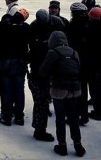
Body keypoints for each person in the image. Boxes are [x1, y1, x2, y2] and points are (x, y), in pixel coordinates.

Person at [39, 31, 86, 157]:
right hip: (75, 90)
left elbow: (43, 71)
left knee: (60, 119)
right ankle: (78, 145)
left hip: (59, 90)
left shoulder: (52, 53)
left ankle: (62, 146)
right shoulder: (74, 52)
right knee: (73, 119)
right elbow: (79, 69)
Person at [28, 9, 64, 142]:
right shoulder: (34, 26)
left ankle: (40, 128)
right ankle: (39, 130)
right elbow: (31, 47)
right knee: (41, 102)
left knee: (42, 101)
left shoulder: (58, 23)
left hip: (48, 68)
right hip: (40, 70)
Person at [0, 6, 33, 126]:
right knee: (19, 90)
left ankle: (6, 117)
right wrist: (27, 59)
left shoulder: (3, 25)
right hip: (20, 62)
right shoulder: (26, 28)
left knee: (6, 90)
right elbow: (32, 45)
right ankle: (19, 116)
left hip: (5, 61)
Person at [66, 2, 91, 125]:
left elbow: (71, 43)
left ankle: (75, 115)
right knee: (83, 89)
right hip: (86, 61)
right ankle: (83, 114)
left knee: (75, 90)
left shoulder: (75, 26)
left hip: (76, 61)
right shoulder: (89, 24)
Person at [86, 6, 101, 121]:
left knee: (95, 87)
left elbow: (89, 47)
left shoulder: (92, 30)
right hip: (100, 62)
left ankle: (98, 111)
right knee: (99, 85)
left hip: (93, 62)